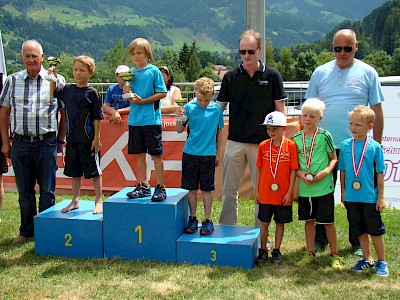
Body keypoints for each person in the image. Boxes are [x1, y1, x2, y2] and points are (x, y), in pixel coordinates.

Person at [305, 28, 384, 255]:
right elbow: (309, 110)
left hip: (357, 147)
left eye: (347, 48)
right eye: (337, 49)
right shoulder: (320, 73)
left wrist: (374, 147)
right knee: (321, 195)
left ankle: (358, 241)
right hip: (322, 146)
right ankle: (320, 240)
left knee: (356, 196)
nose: (342, 53)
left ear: (356, 47)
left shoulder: (368, 73)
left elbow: (377, 111)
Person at [217, 29, 287, 226]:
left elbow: (280, 111)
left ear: (259, 50)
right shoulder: (230, 77)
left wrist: (279, 140)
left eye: (250, 51)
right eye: (242, 52)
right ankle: (226, 229)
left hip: (264, 145)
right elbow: (218, 110)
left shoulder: (272, 75)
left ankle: (261, 236)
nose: (246, 56)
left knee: (262, 192)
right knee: (229, 190)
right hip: (235, 142)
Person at [0, 39, 66, 244]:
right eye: (27, 56)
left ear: (42, 58)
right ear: (22, 58)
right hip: (20, 143)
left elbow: (64, 111)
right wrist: (5, 142)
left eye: (34, 56)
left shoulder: (56, 80)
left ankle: (46, 231)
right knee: (25, 191)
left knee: (47, 190)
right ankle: (26, 231)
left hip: (46, 142)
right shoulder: (12, 80)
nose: (31, 60)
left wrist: (61, 139)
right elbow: (3, 112)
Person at [292, 98, 343, 270]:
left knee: (328, 222)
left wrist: (326, 172)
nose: (307, 119)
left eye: (312, 116)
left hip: (324, 187)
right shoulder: (296, 138)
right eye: (305, 115)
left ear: (320, 119)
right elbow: (294, 165)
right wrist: (300, 174)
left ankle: (335, 254)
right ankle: (310, 252)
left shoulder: (325, 136)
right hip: (306, 188)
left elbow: (334, 159)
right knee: (308, 220)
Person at [338, 105, 388, 276]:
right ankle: (368, 259)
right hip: (352, 197)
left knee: (375, 230)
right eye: (351, 124)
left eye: (358, 125)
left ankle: (382, 262)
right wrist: (343, 193)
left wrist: (380, 197)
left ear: (370, 127)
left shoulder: (375, 147)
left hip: (369, 197)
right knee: (359, 229)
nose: (353, 128)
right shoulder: (345, 145)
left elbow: (380, 173)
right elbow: (342, 171)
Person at [54, 55, 103, 214]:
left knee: (95, 172)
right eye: (75, 70)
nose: (78, 73)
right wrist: (52, 75)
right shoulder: (68, 90)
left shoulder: (92, 93)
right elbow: (54, 92)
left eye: (82, 70)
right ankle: (75, 200)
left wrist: (96, 139)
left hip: (88, 140)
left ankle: (98, 201)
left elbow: (97, 118)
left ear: (90, 72)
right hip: (72, 139)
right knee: (74, 172)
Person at [176, 77, 224, 235]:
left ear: (212, 95)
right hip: (190, 153)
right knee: (191, 188)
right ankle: (193, 217)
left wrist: (218, 152)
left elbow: (219, 132)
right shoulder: (188, 107)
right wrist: (179, 117)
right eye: (200, 99)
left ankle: (208, 219)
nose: (203, 103)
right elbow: (179, 130)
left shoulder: (217, 110)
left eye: (206, 99)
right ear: (195, 93)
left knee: (206, 189)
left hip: (208, 155)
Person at [123, 38, 168, 202]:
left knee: (156, 155)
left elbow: (162, 93)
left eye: (139, 53)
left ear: (147, 54)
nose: (136, 56)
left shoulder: (154, 71)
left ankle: (161, 187)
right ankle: (144, 185)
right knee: (139, 155)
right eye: (133, 53)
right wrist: (126, 90)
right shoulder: (130, 72)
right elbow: (129, 95)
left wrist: (144, 101)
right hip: (135, 120)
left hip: (151, 119)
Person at [254, 111, 298, 265]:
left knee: (280, 222)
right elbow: (259, 168)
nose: (270, 132)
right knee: (264, 223)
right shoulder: (263, 146)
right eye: (268, 129)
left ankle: (277, 250)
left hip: (283, 194)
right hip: (265, 193)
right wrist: (257, 190)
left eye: (274, 129)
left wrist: (290, 191)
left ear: (284, 129)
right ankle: (263, 250)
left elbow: (293, 170)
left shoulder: (291, 146)